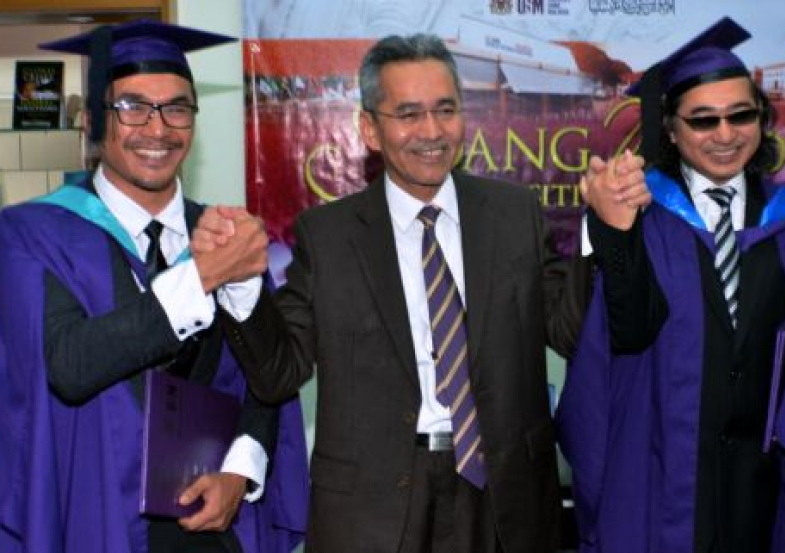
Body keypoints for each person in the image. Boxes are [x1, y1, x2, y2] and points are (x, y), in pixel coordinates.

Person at [195, 33, 648, 553]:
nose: (431, 131)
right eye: (408, 114)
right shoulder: (328, 236)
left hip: (503, 497)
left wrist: (602, 232)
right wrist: (241, 285)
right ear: (369, 129)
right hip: (371, 507)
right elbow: (279, 372)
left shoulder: (514, 214)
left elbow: (569, 333)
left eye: (445, 110)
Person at [0, 20, 308, 553]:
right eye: (132, 107)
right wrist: (203, 275)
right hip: (94, 515)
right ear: (93, 121)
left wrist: (242, 469)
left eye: (177, 108)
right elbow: (70, 367)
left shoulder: (224, 234)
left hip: (213, 528)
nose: (158, 128)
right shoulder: (31, 236)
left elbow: (266, 380)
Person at [558, 17, 785, 553]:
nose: (725, 135)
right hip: (659, 479)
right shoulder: (639, 217)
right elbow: (620, 335)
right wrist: (612, 234)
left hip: (761, 490)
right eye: (703, 120)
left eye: (740, 115)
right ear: (672, 129)